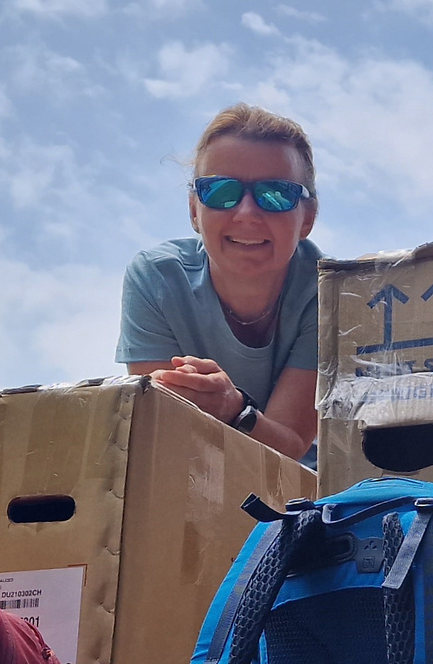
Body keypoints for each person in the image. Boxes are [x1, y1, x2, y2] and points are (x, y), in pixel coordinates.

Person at [117, 103, 321, 462]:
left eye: (276, 194)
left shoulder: (330, 293)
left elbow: (290, 447)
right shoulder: (156, 280)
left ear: (307, 218)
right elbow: (163, 432)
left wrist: (233, 408)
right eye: (220, 192)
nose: (246, 213)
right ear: (195, 209)